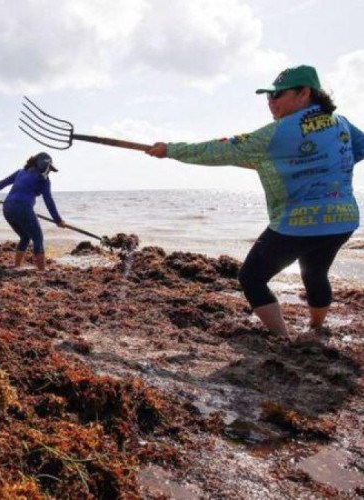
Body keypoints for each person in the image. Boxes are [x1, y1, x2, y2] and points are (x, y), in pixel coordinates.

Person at [145, 65, 364, 337]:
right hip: (342, 221)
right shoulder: (339, 122)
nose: (271, 103)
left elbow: (219, 150)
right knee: (315, 272)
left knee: (251, 278)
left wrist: (170, 150)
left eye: (278, 95)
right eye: (268, 97)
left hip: (297, 223)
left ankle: (282, 338)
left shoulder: (278, 132)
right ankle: (316, 329)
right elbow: (358, 148)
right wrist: (314, 165)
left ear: (304, 93)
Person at [0, 152, 66, 271]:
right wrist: (58, 220)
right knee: (38, 237)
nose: (49, 172)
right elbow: (49, 201)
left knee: (25, 236)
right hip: (23, 208)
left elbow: (3, 183)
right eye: (49, 168)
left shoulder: (20, 173)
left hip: (7, 208)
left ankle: (17, 266)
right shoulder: (44, 180)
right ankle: (42, 270)